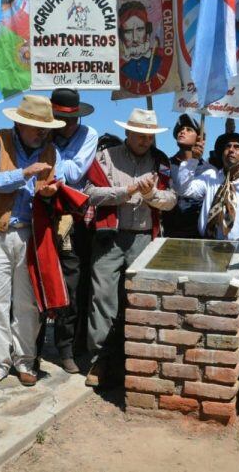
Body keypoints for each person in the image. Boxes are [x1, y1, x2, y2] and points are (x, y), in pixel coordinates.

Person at [0, 95, 64, 388]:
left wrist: (51, 192)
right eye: (36, 126)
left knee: (28, 303)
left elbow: (58, 183)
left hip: (31, 234)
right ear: (19, 123)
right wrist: (22, 174)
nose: (42, 132)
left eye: (45, 127)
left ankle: (25, 361)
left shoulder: (51, 152)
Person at [83, 108, 176, 388]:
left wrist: (151, 195)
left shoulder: (161, 162)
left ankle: (136, 357)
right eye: (140, 134)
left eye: (149, 136)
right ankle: (100, 359)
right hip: (109, 236)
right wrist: (127, 192)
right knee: (103, 299)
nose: (144, 140)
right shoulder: (105, 157)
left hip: (144, 237)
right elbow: (90, 194)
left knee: (140, 298)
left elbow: (171, 200)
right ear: (128, 132)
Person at [180, 132, 239, 376]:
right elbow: (185, 189)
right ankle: (213, 362)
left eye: (237, 147)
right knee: (212, 305)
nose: (231, 150)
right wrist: (190, 159)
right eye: (227, 146)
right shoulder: (210, 177)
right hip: (210, 249)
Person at [45, 88, 98, 374]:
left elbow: (75, 172)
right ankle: (35, 344)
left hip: (69, 215)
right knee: (38, 276)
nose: (65, 124)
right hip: (40, 210)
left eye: (69, 119)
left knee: (71, 280)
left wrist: (50, 161)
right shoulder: (44, 132)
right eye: (59, 119)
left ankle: (67, 347)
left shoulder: (89, 134)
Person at [164, 113, 212, 238]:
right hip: (170, 232)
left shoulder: (209, 170)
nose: (182, 132)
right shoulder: (165, 165)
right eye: (180, 129)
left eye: (189, 130)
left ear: (199, 139)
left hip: (197, 235)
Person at [118, 1, 162, 83]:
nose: (135, 39)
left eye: (140, 29)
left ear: (148, 30)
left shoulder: (160, 61)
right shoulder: (119, 69)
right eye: (128, 31)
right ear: (121, 35)